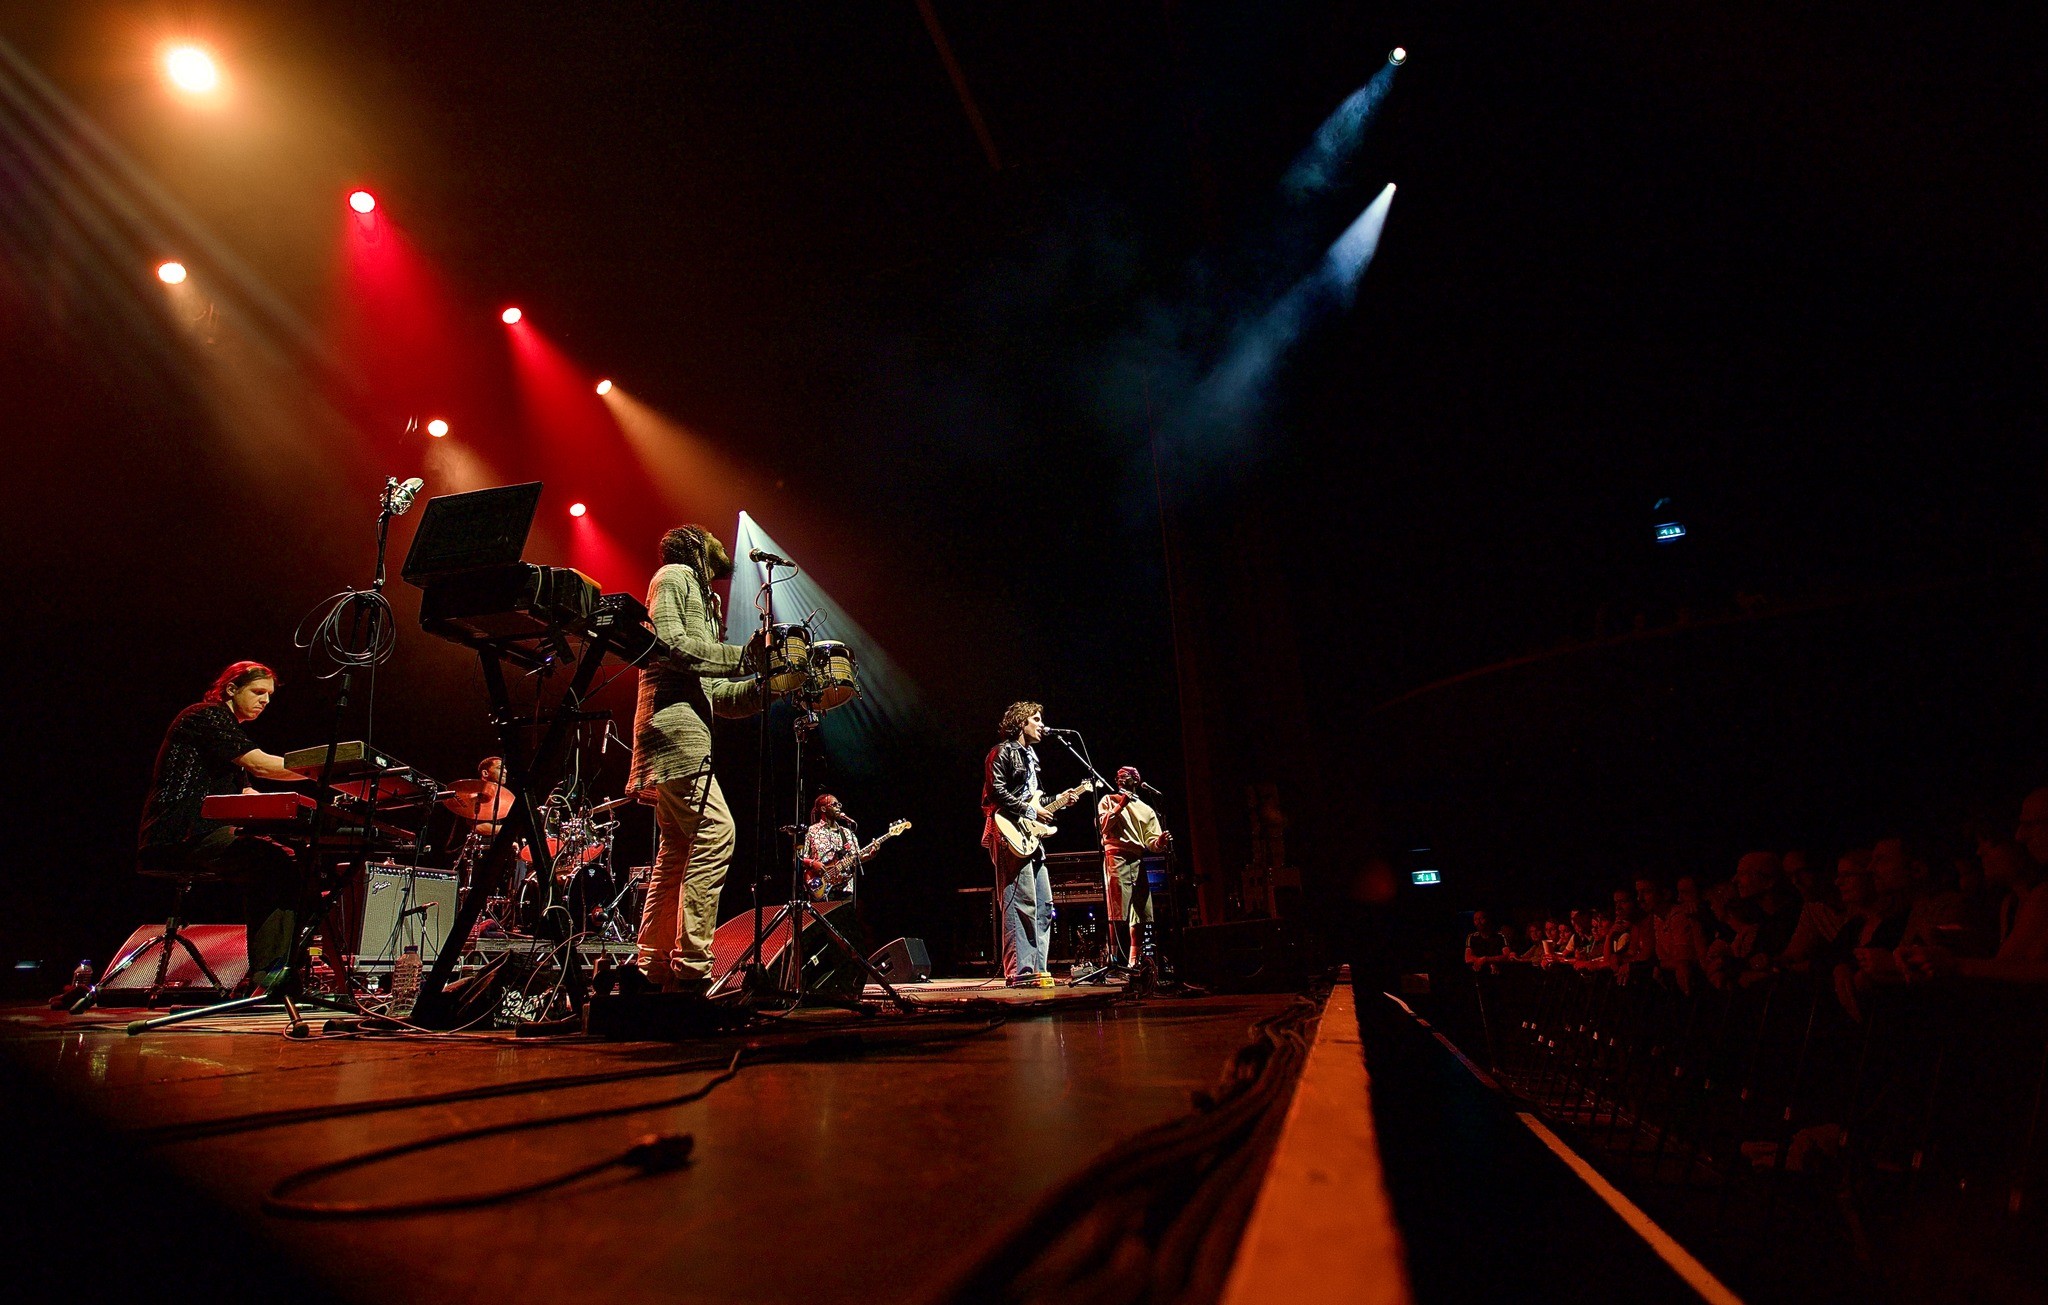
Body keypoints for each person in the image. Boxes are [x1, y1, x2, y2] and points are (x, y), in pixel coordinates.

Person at [627, 525, 762, 993]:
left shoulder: (706, 599)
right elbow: (672, 646)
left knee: (678, 851)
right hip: (673, 732)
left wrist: (768, 684)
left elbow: (718, 695)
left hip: (684, 734)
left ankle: (652, 969)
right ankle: (690, 967)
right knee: (717, 831)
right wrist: (745, 657)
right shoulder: (674, 576)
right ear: (694, 544)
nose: (722, 544)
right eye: (712, 538)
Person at [137, 661, 307, 988]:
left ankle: (278, 970)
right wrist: (322, 769)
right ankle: (269, 977)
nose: (265, 701)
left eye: (269, 696)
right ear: (231, 688)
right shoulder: (206, 715)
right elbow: (261, 765)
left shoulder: (228, 736)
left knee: (291, 862)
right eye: (258, 692)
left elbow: (247, 794)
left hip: (202, 832)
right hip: (179, 834)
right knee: (275, 864)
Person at [982, 701, 1068, 988]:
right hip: (1009, 833)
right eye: (1036, 719)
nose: (1042, 725)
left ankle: (1038, 968)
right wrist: (1032, 811)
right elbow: (996, 792)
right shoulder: (1001, 752)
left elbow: (1033, 799)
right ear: (1021, 722)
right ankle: (1020, 971)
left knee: (1043, 904)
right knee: (1021, 902)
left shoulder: (1031, 758)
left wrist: (1060, 799)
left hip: (1031, 837)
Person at [1098, 766, 1170, 972]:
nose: (1120, 779)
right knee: (1116, 910)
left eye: (1125, 776)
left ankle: (1134, 960)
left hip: (1137, 858)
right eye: (1118, 776)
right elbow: (1103, 827)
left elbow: (1151, 842)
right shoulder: (1108, 800)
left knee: (1140, 911)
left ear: (1136, 780)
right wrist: (1121, 805)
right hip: (1116, 855)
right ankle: (1112, 958)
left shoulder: (1146, 809)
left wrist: (1160, 842)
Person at [799, 793, 862, 902]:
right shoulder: (812, 831)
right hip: (821, 887)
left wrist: (870, 855)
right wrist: (813, 863)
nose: (838, 807)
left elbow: (856, 859)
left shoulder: (847, 833)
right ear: (823, 809)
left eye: (839, 804)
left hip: (846, 888)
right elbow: (800, 858)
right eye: (834, 804)